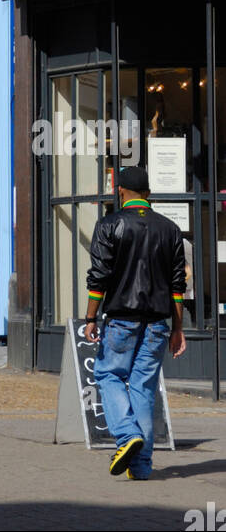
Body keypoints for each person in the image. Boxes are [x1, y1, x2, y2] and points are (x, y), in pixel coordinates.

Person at [84, 165, 186, 480]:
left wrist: (90, 317)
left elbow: (98, 277)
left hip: (121, 319)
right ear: (148, 195)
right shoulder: (170, 229)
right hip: (158, 321)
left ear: (121, 192)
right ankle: (141, 467)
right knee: (143, 387)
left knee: (108, 374)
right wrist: (178, 329)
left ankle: (127, 435)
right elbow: (178, 286)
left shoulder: (109, 224)